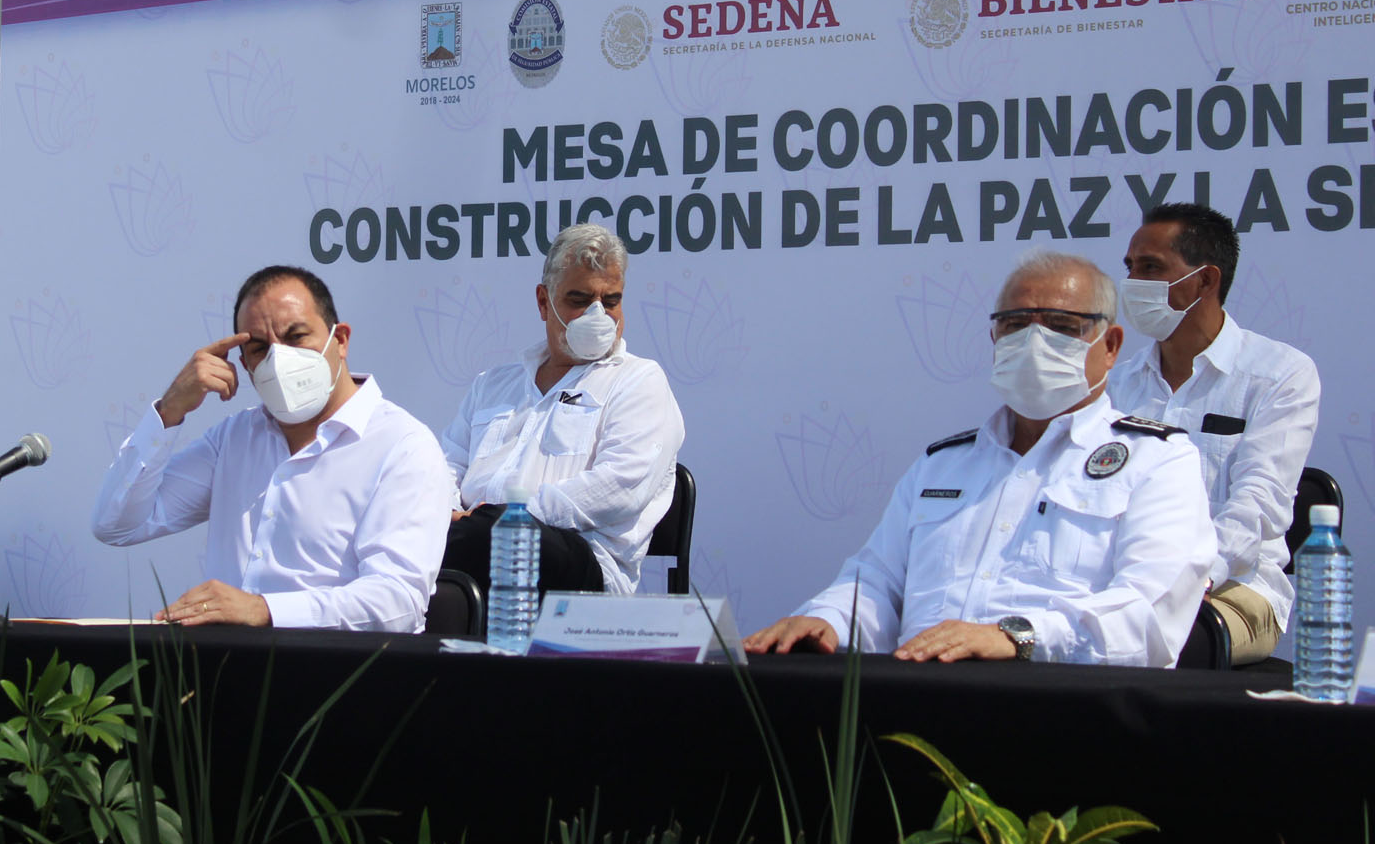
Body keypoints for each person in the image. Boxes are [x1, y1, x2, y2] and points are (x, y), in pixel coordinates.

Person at [744, 250, 1213, 667]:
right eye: (1015, 324)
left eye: (1061, 326)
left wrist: (1015, 637)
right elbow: (876, 584)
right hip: (915, 708)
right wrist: (825, 621)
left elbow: (1147, 615)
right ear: (994, 337)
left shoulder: (1157, 462)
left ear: (1109, 346)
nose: (1034, 341)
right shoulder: (941, 465)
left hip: (1064, 713)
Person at [90, 265, 453, 631]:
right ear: (244, 363)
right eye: (260, 348)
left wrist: (264, 610)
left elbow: (397, 604)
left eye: (296, 337)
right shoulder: (234, 437)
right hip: (225, 671)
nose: (279, 359)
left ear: (340, 340)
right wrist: (169, 410)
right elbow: (116, 524)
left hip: (341, 675)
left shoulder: (403, 447)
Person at [1109, 203, 1319, 665]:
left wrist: (1185, 580)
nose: (1133, 283)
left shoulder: (1279, 375)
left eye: (1151, 267)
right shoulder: (1114, 384)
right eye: (1130, 267)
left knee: (1154, 641)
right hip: (1119, 583)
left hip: (1235, 591)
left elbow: (1258, 505)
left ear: (1205, 280)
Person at [439, 224, 684, 596]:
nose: (598, 315)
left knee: (503, 533)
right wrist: (444, 514)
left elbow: (620, 487)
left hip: (583, 565)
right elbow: (446, 467)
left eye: (611, 300)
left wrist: (505, 516)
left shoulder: (639, 381)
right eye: (580, 300)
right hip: (473, 544)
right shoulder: (492, 384)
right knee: (397, 525)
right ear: (543, 301)